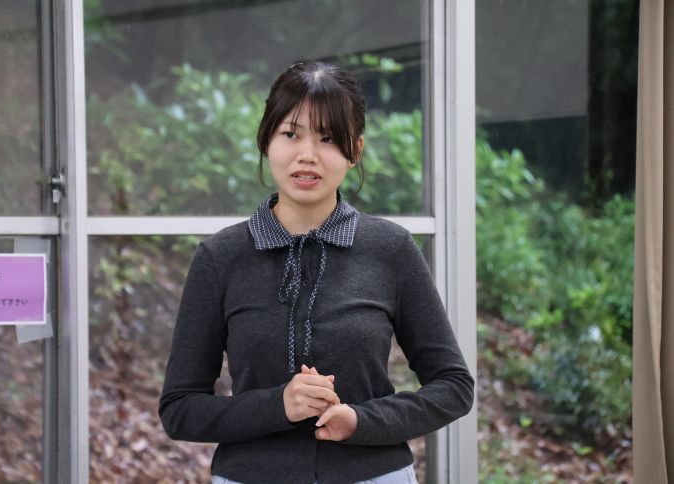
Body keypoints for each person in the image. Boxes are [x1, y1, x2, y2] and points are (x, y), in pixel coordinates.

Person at [158, 61, 474, 484]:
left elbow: (453, 386)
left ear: (355, 150)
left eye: (328, 138)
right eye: (291, 134)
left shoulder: (391, 249)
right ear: (266, 140)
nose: (307, 154)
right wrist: (278, 406)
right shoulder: (220, 257)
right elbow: (179, 409)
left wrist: (361, 421)